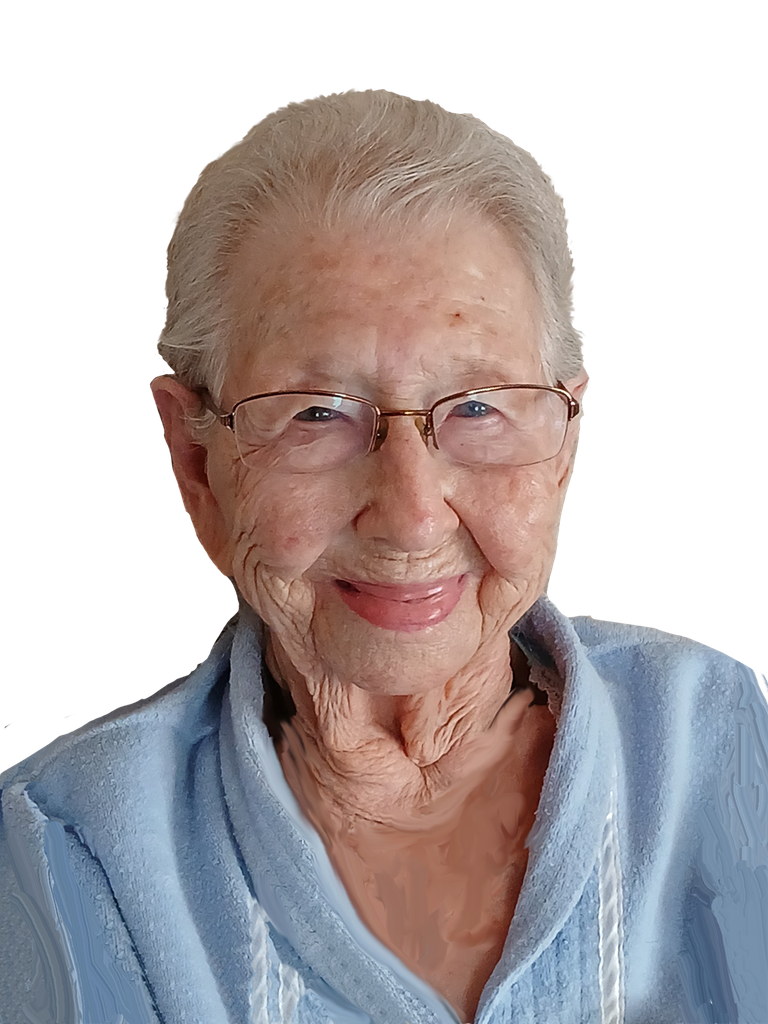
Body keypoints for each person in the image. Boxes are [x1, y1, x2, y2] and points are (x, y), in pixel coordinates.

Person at [1, 90, 766, 1024]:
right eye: (317, 414)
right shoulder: (65, 847)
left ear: (565, 445)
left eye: (479, 407)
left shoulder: (734, 742)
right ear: (197, 467)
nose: (410, 518)